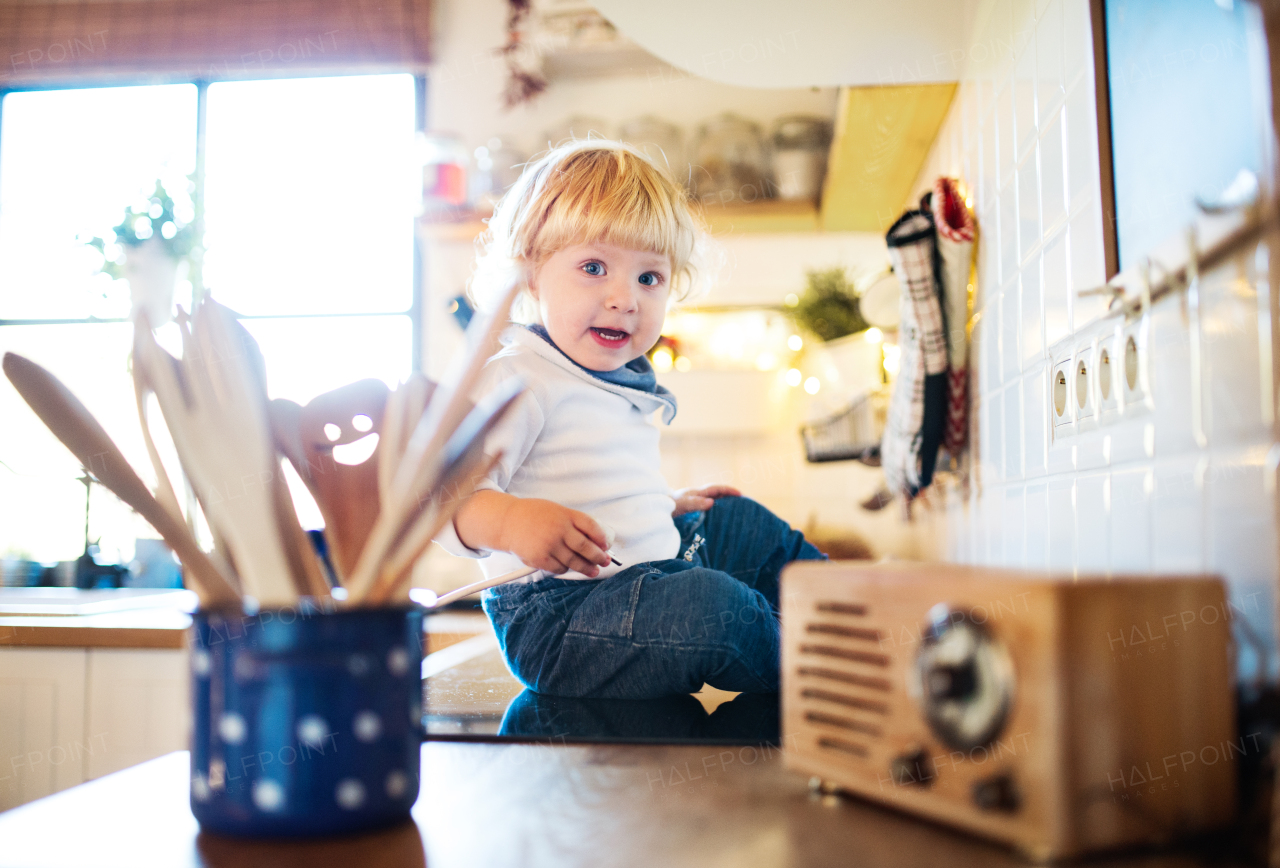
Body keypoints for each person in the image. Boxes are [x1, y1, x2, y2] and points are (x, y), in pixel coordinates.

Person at [435, 139, 825, 700]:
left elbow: (597, 484)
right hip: (562, 618)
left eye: (649, 278)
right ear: (530, 276)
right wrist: (512, 522)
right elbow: (443, 497)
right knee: (716, 609)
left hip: (642, 578)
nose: (625, 298)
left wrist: (660, 503)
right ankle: (823, 680)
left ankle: (856, 613)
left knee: (737, 520)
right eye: (594, 268)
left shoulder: (609, 377)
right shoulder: (518, 377)